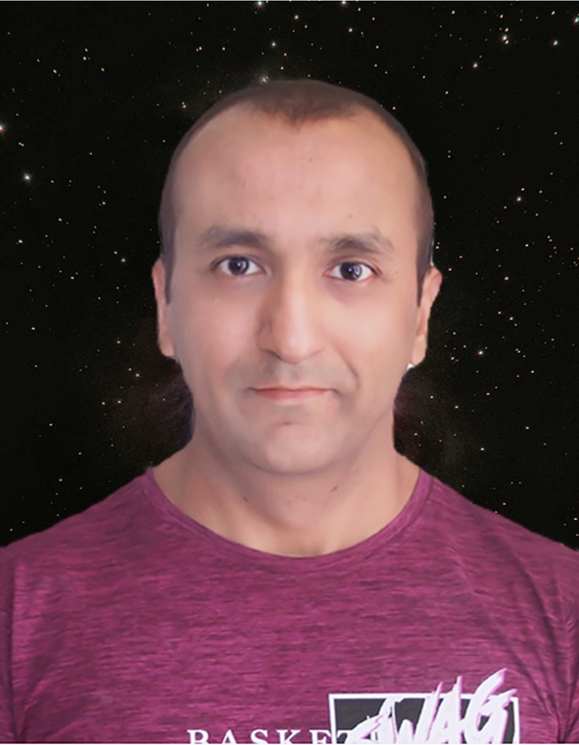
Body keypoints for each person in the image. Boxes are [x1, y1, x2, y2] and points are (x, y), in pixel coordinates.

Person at [0, 78, 577, 745]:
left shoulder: (563, 617)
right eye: (238, 265)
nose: (292, 338)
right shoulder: (17, 618)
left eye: (351, 269)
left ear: (421, 314)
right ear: (165, 306)